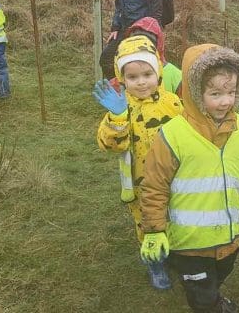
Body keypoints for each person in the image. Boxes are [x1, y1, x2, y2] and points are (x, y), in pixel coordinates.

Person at [139, 44, 239, 312]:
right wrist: (155, 229)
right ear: (195, 92)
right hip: (190, 246)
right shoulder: (173, 135)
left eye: (231, 92)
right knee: (202, 298)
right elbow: (154, 186)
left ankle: (213, 296)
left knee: (219, 277)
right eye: (215, 93)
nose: (226, 101)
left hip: (230, 239)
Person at [93, 35, 182, 289]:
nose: (141, 82)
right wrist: (118, 117)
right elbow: (110, 144)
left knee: (174, 215)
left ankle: (175, 251)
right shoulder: (122, 107)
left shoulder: (173, 103)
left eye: (147, 74)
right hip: (140, 180)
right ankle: (156, 263)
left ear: (158, 72)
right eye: (132, 77)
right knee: (147, 222)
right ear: (122, 79)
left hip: (174, 177)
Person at [124, 16, 182, 97]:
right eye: (136, 44)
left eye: (147, 45)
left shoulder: (176, 76)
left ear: (158, 46)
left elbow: (185, 107)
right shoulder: (126, 72)